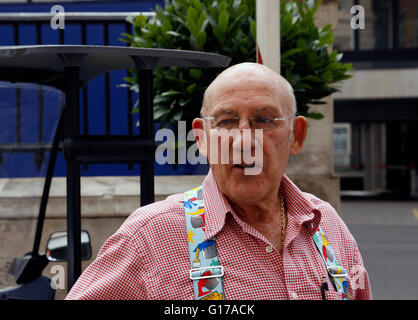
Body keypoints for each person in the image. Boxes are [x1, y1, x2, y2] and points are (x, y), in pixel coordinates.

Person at [66, 62, 372, 300]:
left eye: (263, 120)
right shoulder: (151, 236)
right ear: (202, 138)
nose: (243, 139)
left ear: (297, 136)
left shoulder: (326, 225)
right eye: (226, 121)